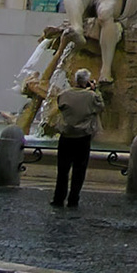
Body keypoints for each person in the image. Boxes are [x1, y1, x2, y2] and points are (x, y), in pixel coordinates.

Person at [51, 69, 104, 209]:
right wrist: (94, 90)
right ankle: (73, 199)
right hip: (82, 137)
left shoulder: (64, 94)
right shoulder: (92, 96)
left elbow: (61, 106)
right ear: (87, 81)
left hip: (66, 137)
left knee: (62, 170)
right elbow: (100, 107)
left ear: (75, 80)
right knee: (79, 170)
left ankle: (58, 198)